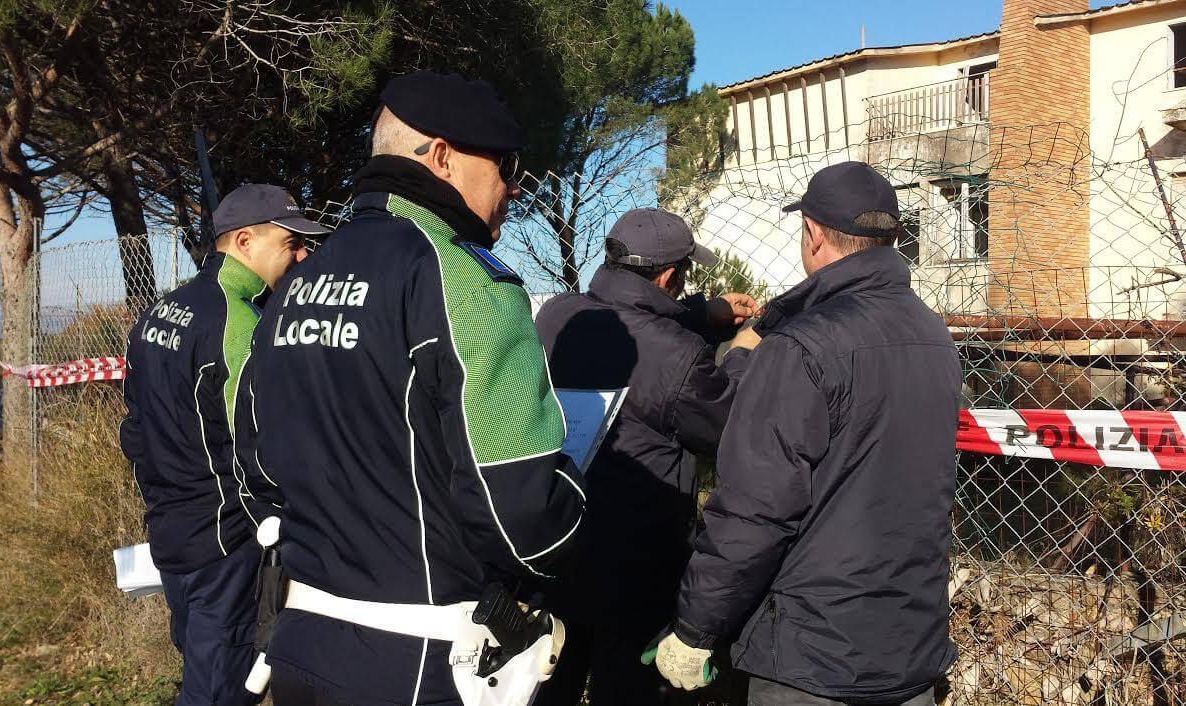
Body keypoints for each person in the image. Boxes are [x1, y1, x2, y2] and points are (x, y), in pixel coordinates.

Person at [238, 70, 586, 706]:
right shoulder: (469, 281)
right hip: (425, 656)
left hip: (301, 639)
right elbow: (518, 513)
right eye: (504, 164)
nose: (511, 186)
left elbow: (255, 459)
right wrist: (581, 506)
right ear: (443, 156)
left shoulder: (296, 284)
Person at [651, 161, 961, 706]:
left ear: (813, 234)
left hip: (810, 659)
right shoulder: (933, 334)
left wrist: (695, 628)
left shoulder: (801, 347)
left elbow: (755, 511)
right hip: (911, 642)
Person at [532, 208, 760, 705]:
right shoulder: (680, 354)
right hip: (636, 568)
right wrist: (741, 351)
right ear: (668, 275)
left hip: (559, 546)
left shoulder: (556, 316)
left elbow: (632, 324)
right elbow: (726, 425)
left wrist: (706, 312)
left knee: (553, 682)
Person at [119, 183, 328, 706]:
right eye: (290, 244)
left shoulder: (158, 314)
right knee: (220, 690)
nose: (301, 256)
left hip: (170, 532)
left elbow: (134, 429)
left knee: (199, 668)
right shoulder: (240, 322)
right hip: (225, 543)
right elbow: (261, 447)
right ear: (243, 241)